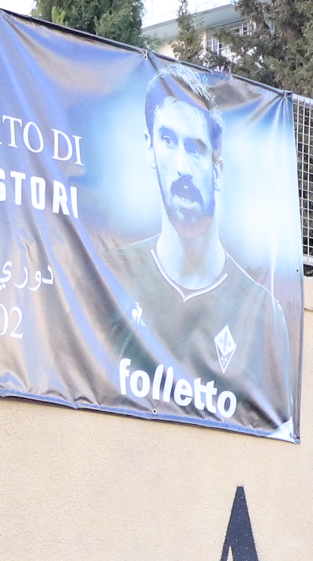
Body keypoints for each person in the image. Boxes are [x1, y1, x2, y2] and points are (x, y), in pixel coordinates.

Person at [101, 65, 296, 435]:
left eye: (195, 148)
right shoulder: (106, 279)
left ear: (217, 169)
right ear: (149, 148)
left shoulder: (263, 315)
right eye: (169, 141)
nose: (182, 168)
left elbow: (278, 435)